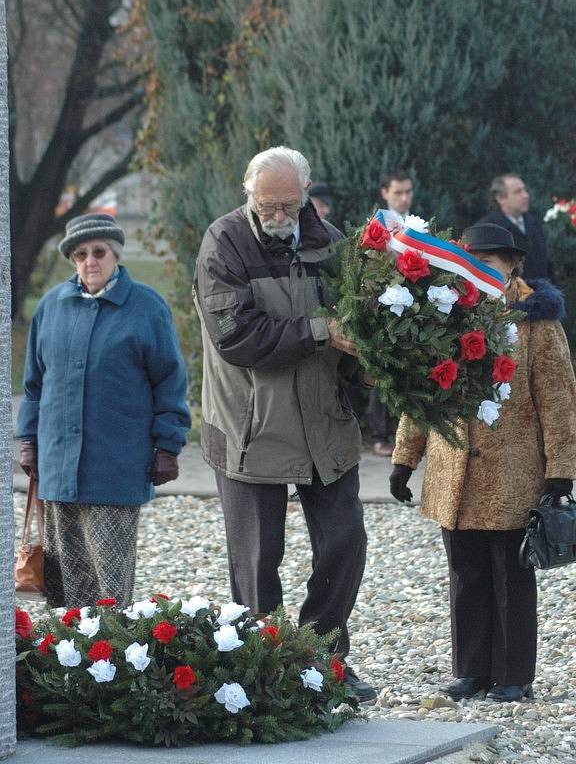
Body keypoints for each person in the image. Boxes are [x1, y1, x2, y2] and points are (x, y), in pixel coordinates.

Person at [194, 146, 376, 702]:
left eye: (287, 205)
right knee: (256, 561)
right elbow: (236, 337)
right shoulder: (223, 242)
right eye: (265, 204)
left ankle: (323, 660)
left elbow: (359, 323)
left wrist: (367, 364)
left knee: (346, 543)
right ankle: (265, 671)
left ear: (306, 195)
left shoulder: (333, 245)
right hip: (250, 428)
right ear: (248, 194)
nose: (276, 214)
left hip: (325, 425)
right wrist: (322, 331)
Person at [390, 223, 576, 702]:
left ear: (514, 264)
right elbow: (422, 391)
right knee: (465, 574)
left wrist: (561, 470)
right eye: (472, 260)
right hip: (453, 473)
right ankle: (471, 671)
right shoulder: (444, 314)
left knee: (511, 575)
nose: (479, 270)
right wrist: (404, 460)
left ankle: (513, 675)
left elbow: (559, 398)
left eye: (490, 262)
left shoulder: (537, 322)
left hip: (513, 473)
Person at [17, 214, 191, 609]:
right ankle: (68, 657)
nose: (90, 261)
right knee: (63, 580)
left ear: (115, 255)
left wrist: (168, 447)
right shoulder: (52, 307)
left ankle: (111, 658)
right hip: (58, 465)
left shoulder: (146, 308)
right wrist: (28, 441)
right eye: (80, 254)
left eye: (99, 252)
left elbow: (169, 381)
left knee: (110, 581)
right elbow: (34, 385)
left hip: (116, 465)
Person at [369, 169, 415, 455]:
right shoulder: (379, 224)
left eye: (408, 191)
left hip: (413, 303)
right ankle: (379, 434)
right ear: (385, 193)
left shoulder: (417, 224)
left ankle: (409, 437)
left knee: (410, 370)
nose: (404, 197)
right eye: (398, 192)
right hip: (383, 302)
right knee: (380, 372)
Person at [478, 173, 554, 280]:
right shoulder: (487, 229)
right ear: (500, 198)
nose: (526, 195)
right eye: (518, 192)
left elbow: (547, 265)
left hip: (542, 294)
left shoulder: (534, 224)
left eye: (525, 190)